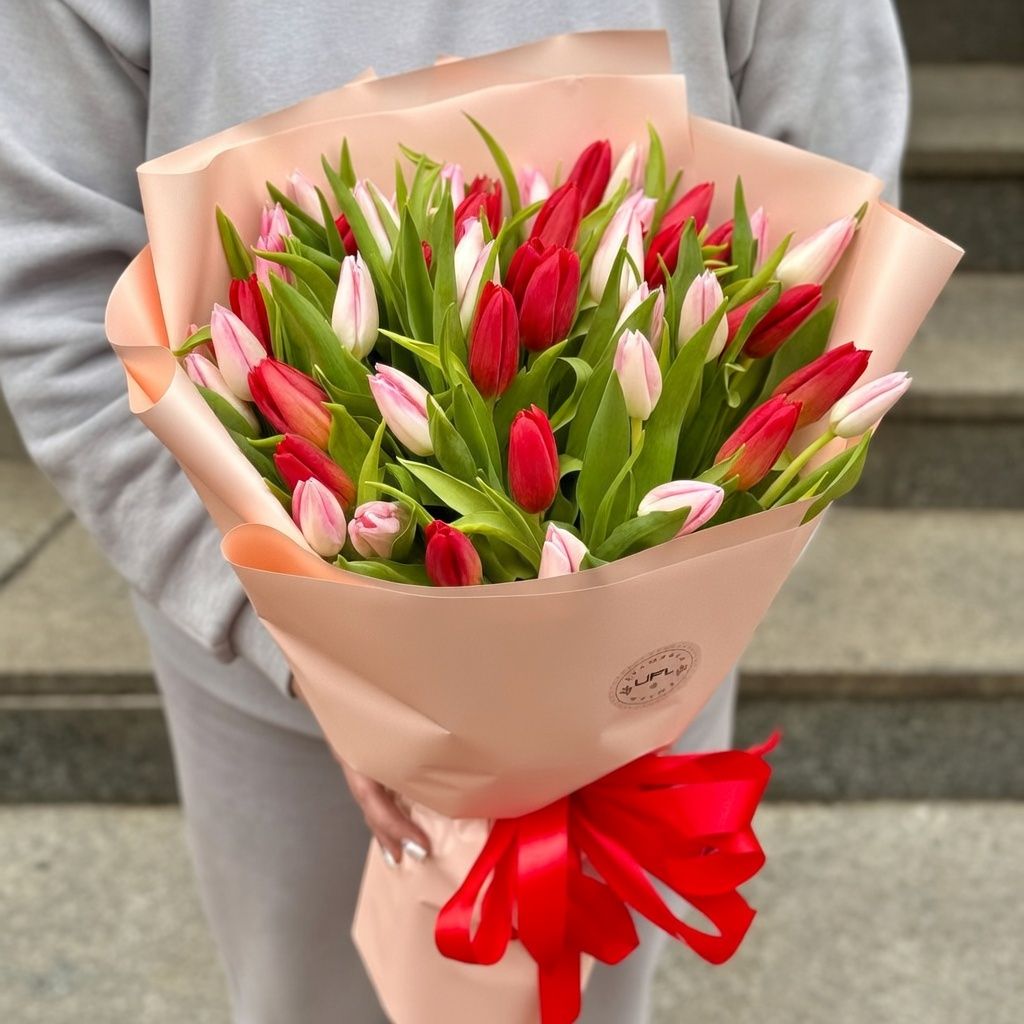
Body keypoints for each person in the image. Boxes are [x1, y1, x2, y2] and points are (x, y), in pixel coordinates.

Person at [0, 2, 908, 1021]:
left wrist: (688, 604)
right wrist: (312, 653)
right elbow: (57, 295)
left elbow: (841, 212)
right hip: (271, 666)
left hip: (647, 649)